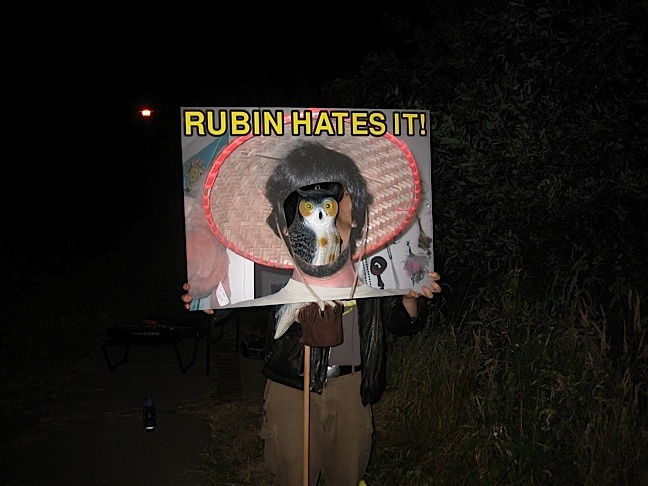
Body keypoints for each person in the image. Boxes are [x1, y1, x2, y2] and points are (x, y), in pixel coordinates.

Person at [182, 137, 441, 485]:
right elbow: (234, 307)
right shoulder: (270, 271)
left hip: (352, 389)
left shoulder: (375, 270)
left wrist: (411, 298)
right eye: (308, 204)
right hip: (293, 387)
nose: (322, 218)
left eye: (332, 203)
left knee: (348, 476)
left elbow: (399, 322)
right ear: (284, 223)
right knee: (293, 476)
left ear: (355, 213)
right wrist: (205, 301)